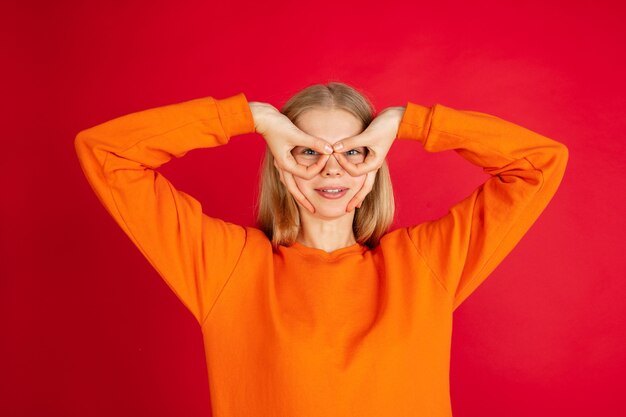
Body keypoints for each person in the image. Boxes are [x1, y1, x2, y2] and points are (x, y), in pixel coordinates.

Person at [74, 82, 568, 416]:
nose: (332, 170)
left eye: (354, 151)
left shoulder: (424, 264)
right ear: (279, 162)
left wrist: (407, 122)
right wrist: (252, 117)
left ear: (376, 163)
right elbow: (108, 153)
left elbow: (539, 164)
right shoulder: (227, 266)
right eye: (307, 150)